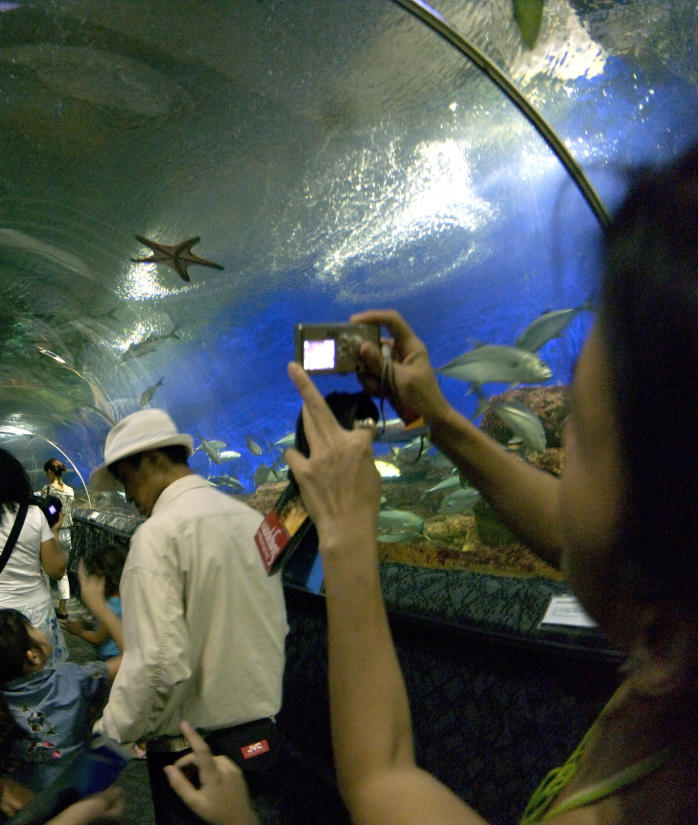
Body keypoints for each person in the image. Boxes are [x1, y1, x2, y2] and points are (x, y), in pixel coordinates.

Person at [281, 144, 698, 825]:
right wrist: (439, 417)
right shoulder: (677, 650)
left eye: (582, 436)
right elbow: (581, 533)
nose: (560, 453)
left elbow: (381, 775)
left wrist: (347, 531)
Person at [88, 408, 289, 825]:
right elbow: (276, 626)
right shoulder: (254, 522)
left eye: (126, 481)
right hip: (261, 742)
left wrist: (108, 735)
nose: (129, 498)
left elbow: (157, 665)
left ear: (152, 460)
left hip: (193, 756)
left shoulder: (157, 536)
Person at [0, 609, 117, 795]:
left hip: (26, 803)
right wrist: (101, 607)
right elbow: (132, 659)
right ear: (33, 657)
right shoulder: (72, 678)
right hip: (77, 796)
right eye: (32, 627)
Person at [0, 447, 69, 666]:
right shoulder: (33, 514)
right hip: (37, 613)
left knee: (3, 678)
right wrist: (56, 531)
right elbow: (56, 570)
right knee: (44, 675)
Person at [64, 542, 128, 661]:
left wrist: (79, 631)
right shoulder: (125, 599)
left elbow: (99, 638)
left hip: (112, 657)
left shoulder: (111, 606)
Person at [38, 458, 77, 618]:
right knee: (63, 572)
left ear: (49, 472)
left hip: (50, 533)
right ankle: (63, 609)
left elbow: (45, 510)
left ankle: (47, 605)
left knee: (44, 569)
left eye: (46, 473)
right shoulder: (70, 491)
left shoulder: (47, 490)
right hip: (66, 533)